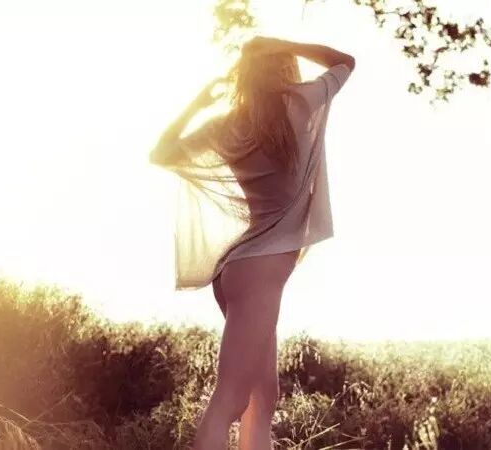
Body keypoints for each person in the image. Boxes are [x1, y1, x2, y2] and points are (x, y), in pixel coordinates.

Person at [149, 36, 355, 450]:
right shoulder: (301, 103)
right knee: (229, 400)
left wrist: (198, 105)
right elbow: (344, 61)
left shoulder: (229, 124)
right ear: (284, 67)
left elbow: (162, 153)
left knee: (264, 398)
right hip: (260, 271)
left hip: (238, 269)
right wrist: (282, 44)